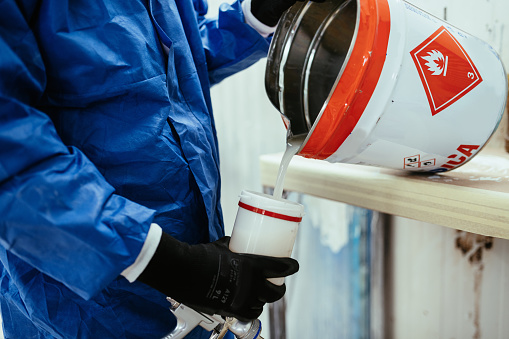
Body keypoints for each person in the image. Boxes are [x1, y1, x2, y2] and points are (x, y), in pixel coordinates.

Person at [0, 0, 314, 337]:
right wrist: (165, 261)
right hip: (83, 307)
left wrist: (253, 18)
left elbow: (170, 65)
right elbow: (11, 148)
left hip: (194, 284)